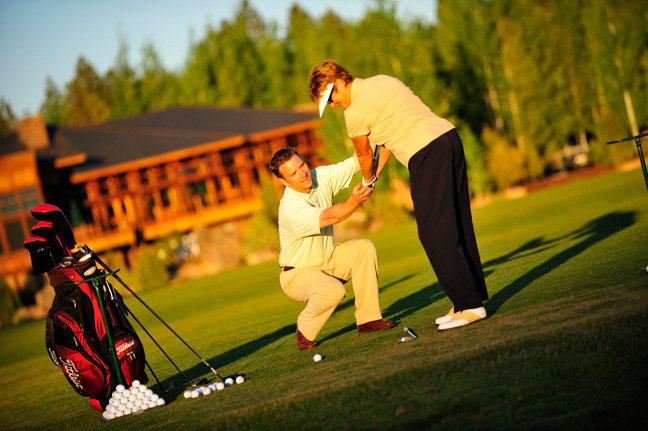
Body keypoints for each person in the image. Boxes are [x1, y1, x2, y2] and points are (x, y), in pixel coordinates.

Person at [309, 59, 488, 331]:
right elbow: (387, 141)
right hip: (449, 140)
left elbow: (365, 153)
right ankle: (466, 301)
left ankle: (472, 306)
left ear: (338, 85)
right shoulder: (382, 81)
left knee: (434, 233)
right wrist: (375, 176)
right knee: (457, 223)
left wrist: (367, 178)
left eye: (330, 99)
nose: (332, 105)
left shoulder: (354, 112)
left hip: (426, 154)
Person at [270, 147, 394, 350]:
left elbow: (358, 160)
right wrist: (354, 201)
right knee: (333, 291)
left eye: (301, 165)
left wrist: (375, 135)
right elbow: (330, 216)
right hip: (297, 274)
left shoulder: (319, 175)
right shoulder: (290, 208)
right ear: (284, 182)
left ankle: (368, 321)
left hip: (328, 259)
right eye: (293, 173)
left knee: (363, 248)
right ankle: (305, 329)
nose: (302, 173)